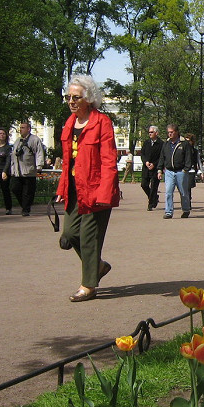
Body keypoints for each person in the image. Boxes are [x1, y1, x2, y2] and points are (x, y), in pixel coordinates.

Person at [55, 75, 120, 302]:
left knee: (88, 237)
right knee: (70, 235)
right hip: (75, 189)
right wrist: (62, 188)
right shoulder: (70, 123)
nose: (71, 101)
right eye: (68, 97)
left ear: (89, 99)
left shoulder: (101, 122)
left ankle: (89, 285)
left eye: (76, 97)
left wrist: (104, 193)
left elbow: (109, 161)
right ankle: (99, 266)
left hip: (95, 190)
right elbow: (67, 161)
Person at [157, 124, 192, 219]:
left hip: (181, 171)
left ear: (176, 132)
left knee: (183, 192)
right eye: (168, 132)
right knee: (168, 192)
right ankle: (168, 212)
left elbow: (188, 157)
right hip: (169, 171)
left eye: (171, 132)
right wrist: (160, 170)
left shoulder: (184, 143)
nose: (170, 134)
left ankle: (185, 209)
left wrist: (186, 169)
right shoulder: (166, 144)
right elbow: (162, 157)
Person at [10, 121, 44, 216]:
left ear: (28, 129)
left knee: (28, 191)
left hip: (29, 170)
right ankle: (25, 205)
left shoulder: (34, 139)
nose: (20, 129)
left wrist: (39, 166)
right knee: (15, 188)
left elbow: (39, 152)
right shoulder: (17, 141)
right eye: (20, 127)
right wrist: (12, 168)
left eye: (23, 127)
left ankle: (26, 209)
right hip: (17, 171)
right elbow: (13, 155)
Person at [140, 125, 163, 211]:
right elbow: (142, 154)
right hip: (146, 167)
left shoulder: (161, 144)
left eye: (151, 132)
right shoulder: (146, 142)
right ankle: (154, 198)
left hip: (155, 169)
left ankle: (151, 204)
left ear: (156, 133)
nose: (150, 134)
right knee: (144, 185)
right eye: (149, 132)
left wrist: (154, 164)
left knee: (154, 187)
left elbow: (162, 157)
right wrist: (145, 162)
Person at [184, 133, 200, 205]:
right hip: (183, 170)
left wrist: (199, 171)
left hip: (191, 170)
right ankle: (186, 200)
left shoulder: (194, 151)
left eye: (188, 141)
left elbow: (197, 161)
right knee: (184, 188)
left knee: (188, 187)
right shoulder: (182, 149)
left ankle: (188, 201)